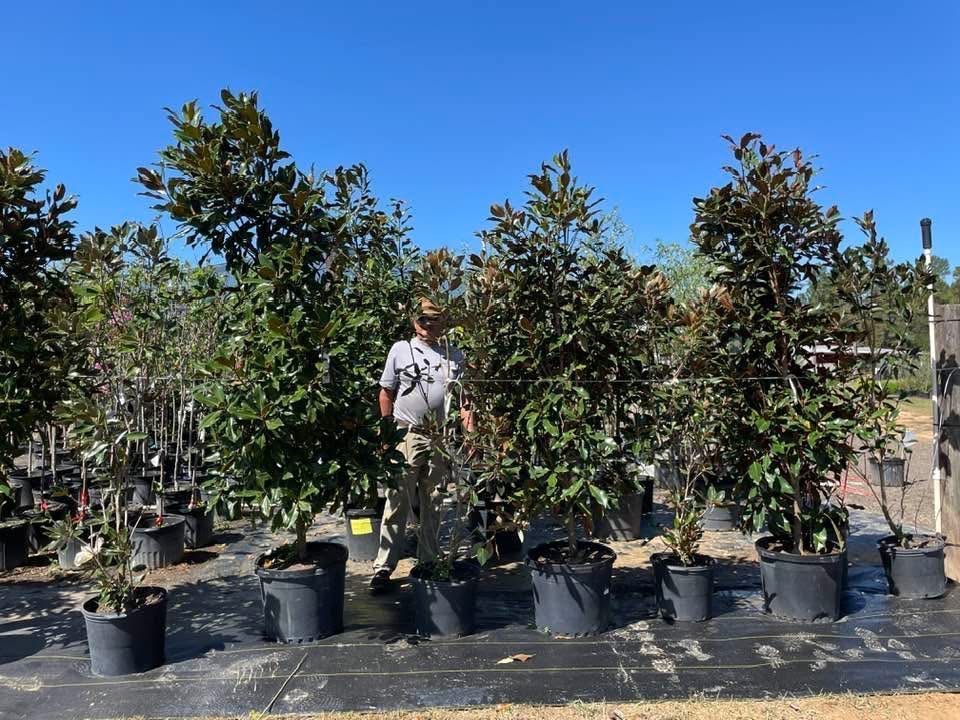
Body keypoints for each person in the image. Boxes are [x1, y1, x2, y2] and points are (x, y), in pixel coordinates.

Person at [369, 298, 473, 593]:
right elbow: (386, 392)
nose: (427, 325)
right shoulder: (401, 350)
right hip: (407, 434)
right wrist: (387, 429)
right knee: (397, 498)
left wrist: (470, 433)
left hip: (438, 436)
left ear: (443, 324)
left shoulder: (454, 356)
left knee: (435, 500)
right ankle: (384, 566)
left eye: (434, 320)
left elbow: (465, 400)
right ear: (415, 323)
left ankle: (428, 559)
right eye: (422, 320)